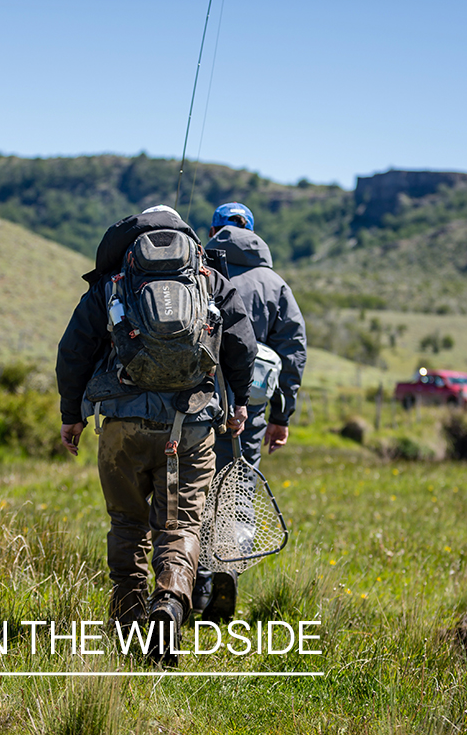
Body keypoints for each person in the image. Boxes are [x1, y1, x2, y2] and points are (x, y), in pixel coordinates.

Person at [56, 205, 255, 664]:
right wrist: (239, 402)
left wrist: (73, 415)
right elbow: (241, 343)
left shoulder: (112, 283)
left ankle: (126, 623)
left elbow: (73, 350)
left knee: (127, 523)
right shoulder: (208, 277)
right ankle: (169, 603)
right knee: (180, 525)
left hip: (122, 427)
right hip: (192, 425)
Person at [194, 202, 308, 622]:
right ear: (253, 233)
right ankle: (229, 572)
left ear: (213, 231)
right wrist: (282, 416)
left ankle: (197, 585)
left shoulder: (199, 274)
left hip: (195, 404)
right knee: (237, 489)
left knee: (195, 491)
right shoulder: (274, 284)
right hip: (252, 410)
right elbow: (293, 353)